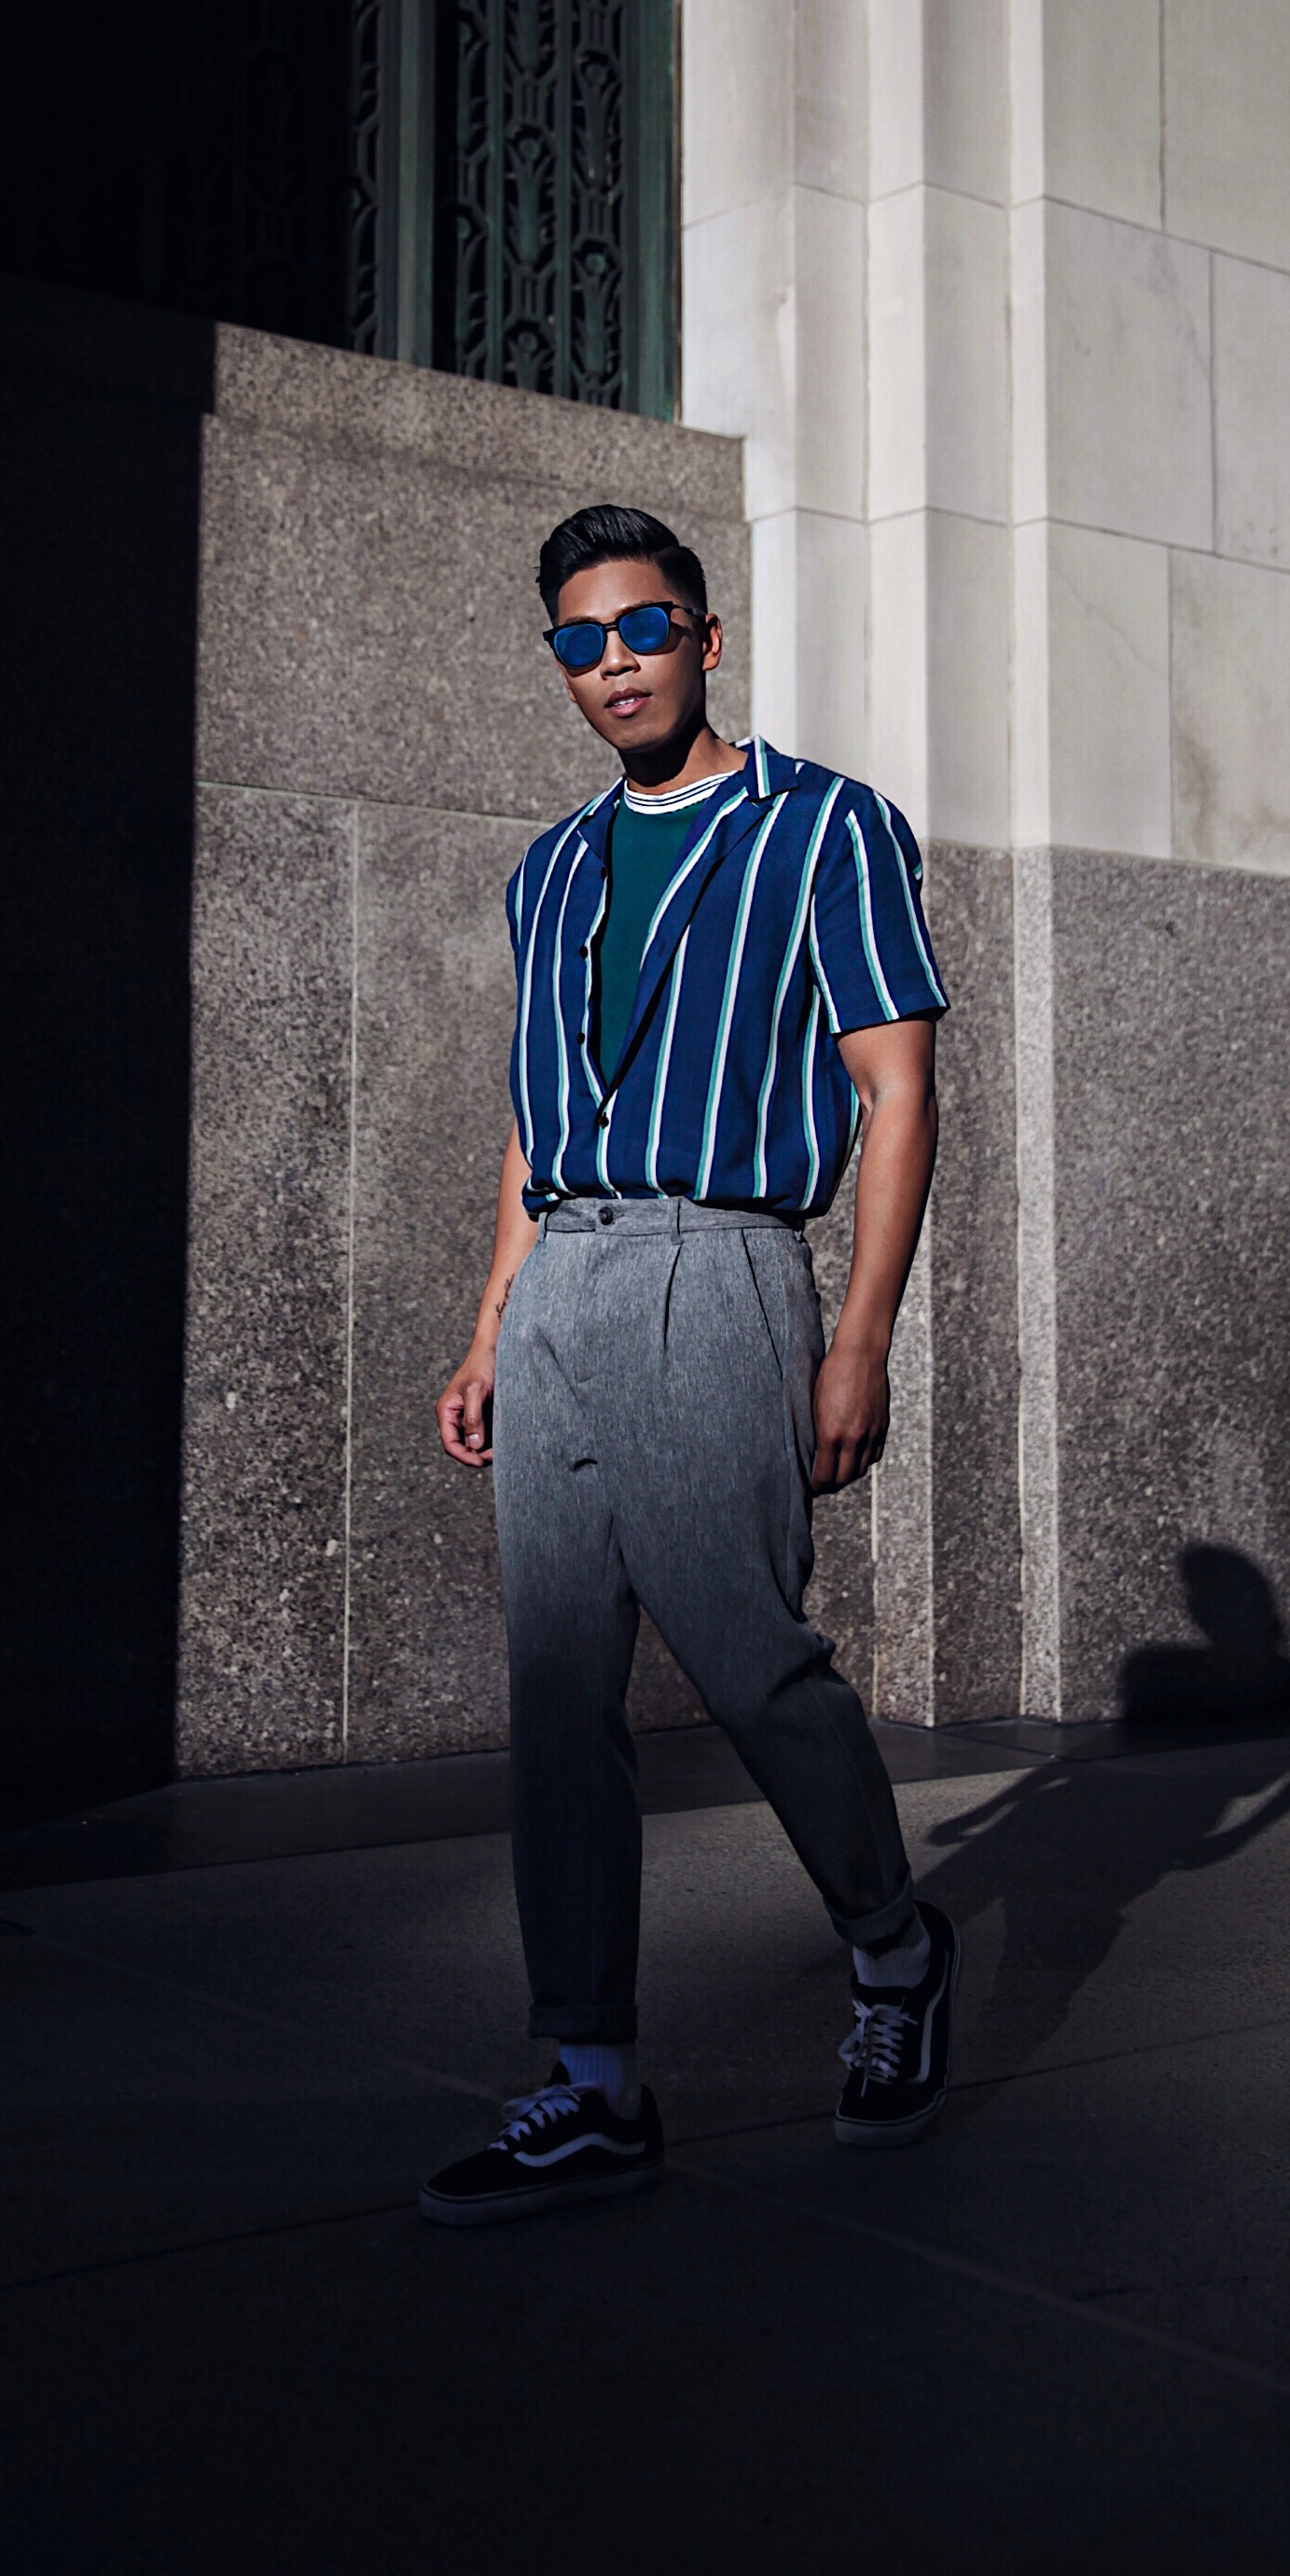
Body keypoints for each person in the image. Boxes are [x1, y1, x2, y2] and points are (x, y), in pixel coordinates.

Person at [418, 505, 955, 2226]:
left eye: (640, 630)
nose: (612, 666)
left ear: (705, 639)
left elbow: (896, 1092)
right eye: (577, 643)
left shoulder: (826, 828)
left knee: (749, 1657)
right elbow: (529, 1125)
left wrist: (858, 1336)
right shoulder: (552, 868)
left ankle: (892, 1950)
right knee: (558, 1697)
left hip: (721, 1269)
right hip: (563, 1283)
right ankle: (588, 2083)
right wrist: (495, 1323)